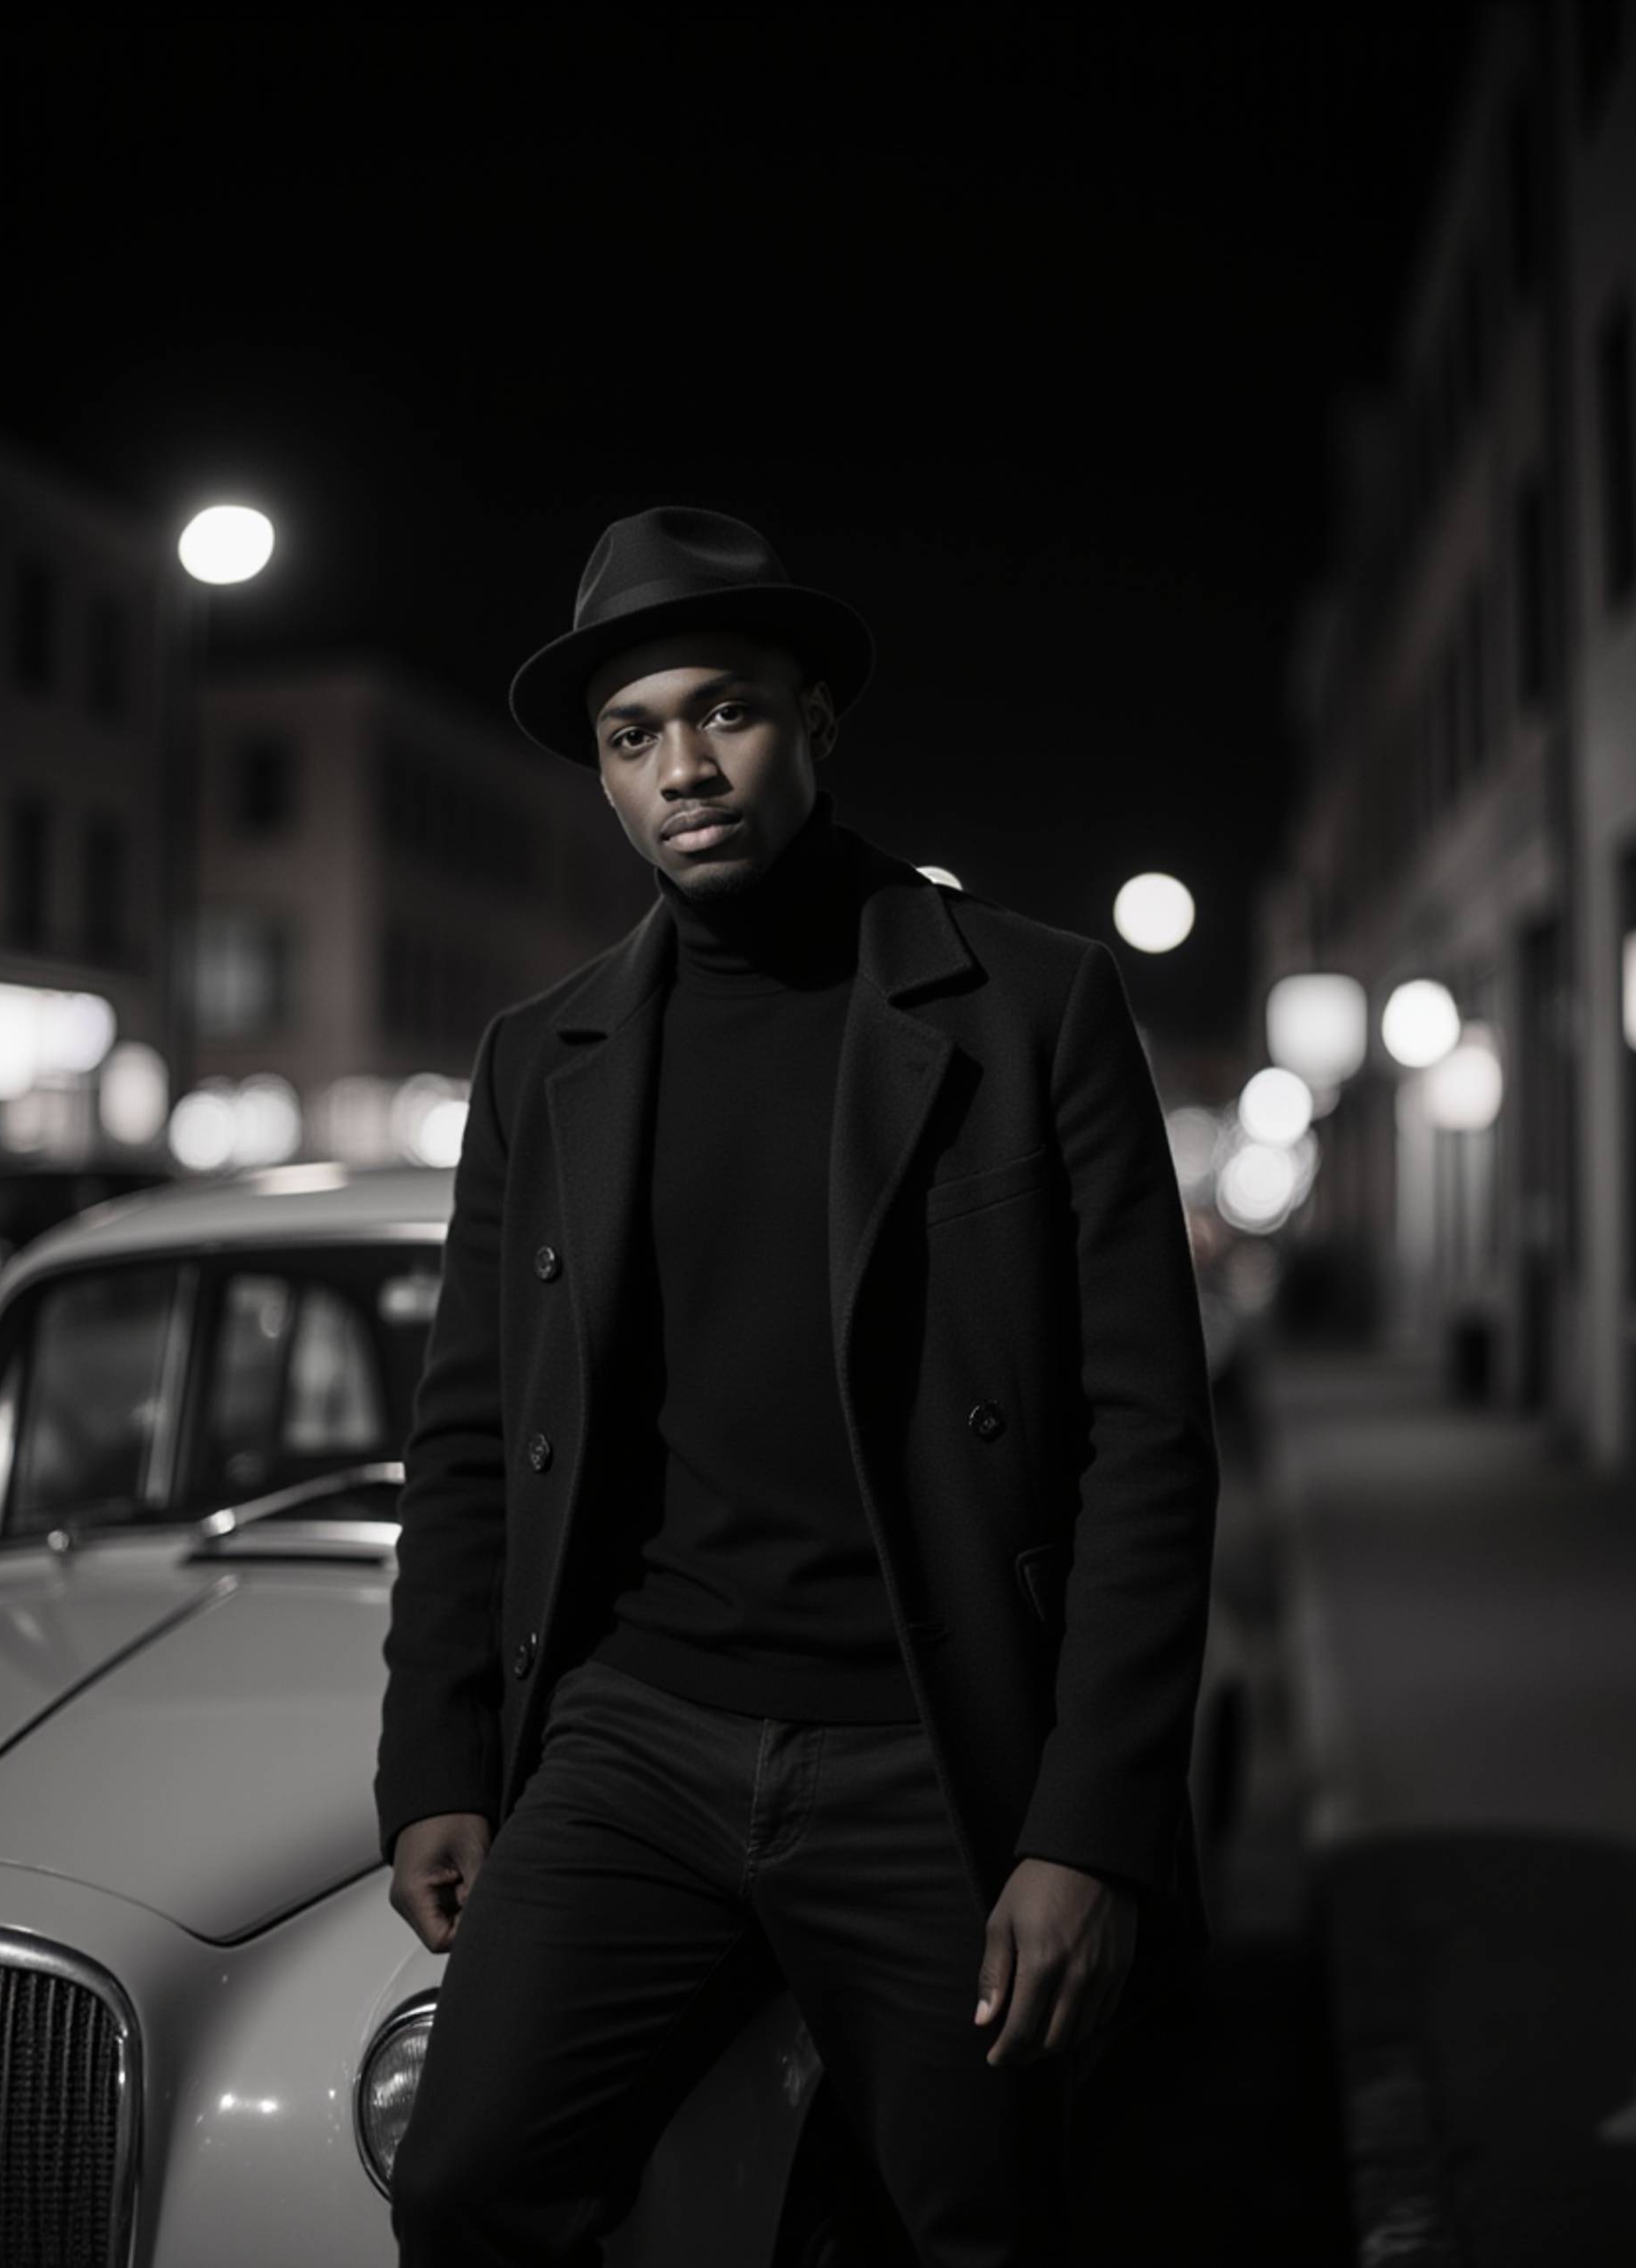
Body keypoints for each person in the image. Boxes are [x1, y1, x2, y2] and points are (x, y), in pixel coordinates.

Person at [374, 505, 1220, 2265]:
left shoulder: (1030, 1005)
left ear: (815, 722)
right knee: (457, 2181)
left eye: (725, 710)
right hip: (633, 1732)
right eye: (633, 734)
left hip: (922, 1741)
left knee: (984, 2219)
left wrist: (1090, 1827)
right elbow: (470, 1430)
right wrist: (437, 1756)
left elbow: (1146, 1438)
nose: (683, 763)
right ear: (602, 780)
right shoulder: (543, 1057)